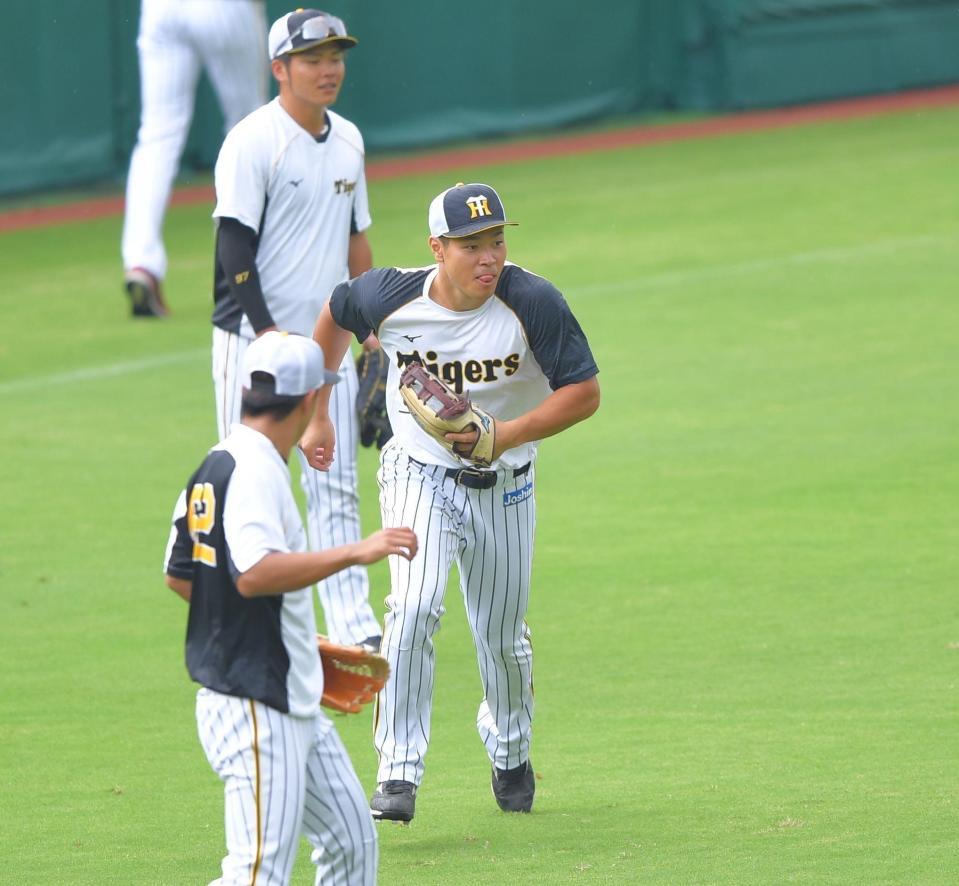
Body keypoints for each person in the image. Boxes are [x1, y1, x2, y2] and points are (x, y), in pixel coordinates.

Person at [300, 183, 601, 822]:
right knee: (412, 606)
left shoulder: (532, 301)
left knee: (502, 638)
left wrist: (506, 435)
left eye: (496, 240)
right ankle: (398, 771)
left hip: (507, 485)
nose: (488, 257)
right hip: (418, 473)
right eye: (470, 246)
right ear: (437, 249)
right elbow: (333, 313)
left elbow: (585, 391)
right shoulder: (389, 295)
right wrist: (319, 413)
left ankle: (512, 750)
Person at [163, 330, 417, 884]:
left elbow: (182, 574)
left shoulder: (220, 461)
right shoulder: (253, 472)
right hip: (256, 707)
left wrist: (286, 638)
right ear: (307, 402)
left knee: (351, 843)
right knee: (257, 873)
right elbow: (253, 574)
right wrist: (356, 550)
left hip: (286, 694)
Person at [210, 8, 382, 647]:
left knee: (334, 482)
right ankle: (249, 621)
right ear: (278, 68)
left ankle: (351, 628)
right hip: (251, 342)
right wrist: (268, 337)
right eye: (312, 59)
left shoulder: (350, 140)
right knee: (251, 475)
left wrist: (370, 335)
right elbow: (234, 248)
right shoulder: (252, 140)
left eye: (335, 56)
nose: (328, 68)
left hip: (325, 341)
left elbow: (356, 241)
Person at [122, 0, 268, 317]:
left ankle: (141, 262)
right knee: (250, 128)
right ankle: (240, 266)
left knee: (157, 135)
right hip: (224, 9)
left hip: (161, 9)